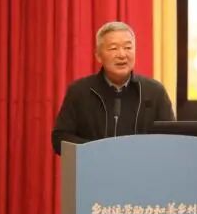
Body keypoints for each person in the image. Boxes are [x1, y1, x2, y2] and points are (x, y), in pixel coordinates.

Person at [52, 22, 175, 154]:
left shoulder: (154, 92)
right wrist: (98, 150)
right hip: (94, 165)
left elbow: (171, 139)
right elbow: (60, 138)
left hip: (141, 165)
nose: (122, 54)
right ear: (98, 55)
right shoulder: (79, 91)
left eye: (128, 47)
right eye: (113, 48)